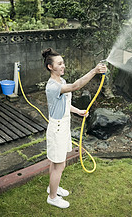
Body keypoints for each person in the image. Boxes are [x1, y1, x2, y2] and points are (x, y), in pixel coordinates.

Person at [42, 47, 107, 209]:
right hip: (57, 129)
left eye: (63, 63)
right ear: (51, 67)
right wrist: (94, 71)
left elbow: (64, 104)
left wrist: (78, 111)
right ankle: (52, 197)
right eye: (59, 63)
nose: (63, 66)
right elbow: (76, 86)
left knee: (57, 163)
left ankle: (53, 188)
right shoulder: (53, 86)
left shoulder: (61, 81)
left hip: (63, 126)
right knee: (59, 165)